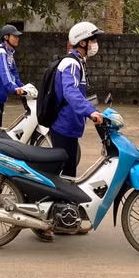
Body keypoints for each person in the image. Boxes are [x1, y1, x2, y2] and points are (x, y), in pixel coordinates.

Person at [50, 22, 104, 179]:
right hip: (64, 124)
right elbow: (70, 91)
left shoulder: (78, 61)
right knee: (65, 175)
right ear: (82, 42)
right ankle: (58, 202)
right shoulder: (71, 63)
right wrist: (90, 111)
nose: (95, 44)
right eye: (93, 40)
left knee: (67, 170)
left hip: (70, 124)